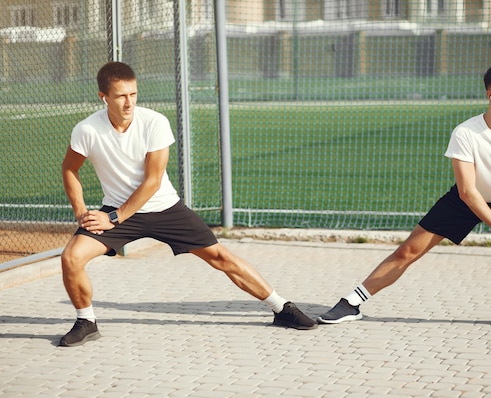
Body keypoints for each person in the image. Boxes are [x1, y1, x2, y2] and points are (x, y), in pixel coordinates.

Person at [59, 62, 317, 347]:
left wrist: (115, 218)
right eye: (121, 96)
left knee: (221, 257)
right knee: (71, 257)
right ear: (103, 97)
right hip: (116, 211)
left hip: (163, 208)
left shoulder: (154, 122)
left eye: (133, 94)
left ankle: (281, 308)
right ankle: (86, 321)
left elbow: (153, 181)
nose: (129, 102)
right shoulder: (87, 130)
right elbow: (70, 169)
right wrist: (82, 212)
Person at [318, 63, 491, 330]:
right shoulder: (466, 133)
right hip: (464, 201)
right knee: (408, 251)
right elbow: (467, 191)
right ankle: (351, 303)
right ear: (490, 95)